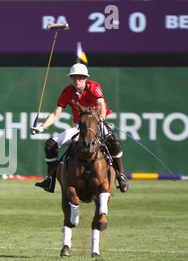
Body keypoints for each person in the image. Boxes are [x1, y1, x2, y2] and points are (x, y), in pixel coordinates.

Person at [30, 63, 128, 193]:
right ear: (71, 78)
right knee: (50, 145)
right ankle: (50, 179)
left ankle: (121, 175)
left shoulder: (94, 87)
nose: (77, 80)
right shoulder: (67, 92)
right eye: (74, 77)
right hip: (79, 126)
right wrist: (42, 127)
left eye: (80, 77)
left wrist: (101, 118)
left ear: (86, 78)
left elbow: (101, 104)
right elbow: (55, 113)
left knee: (114, 141)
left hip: (96, 123)